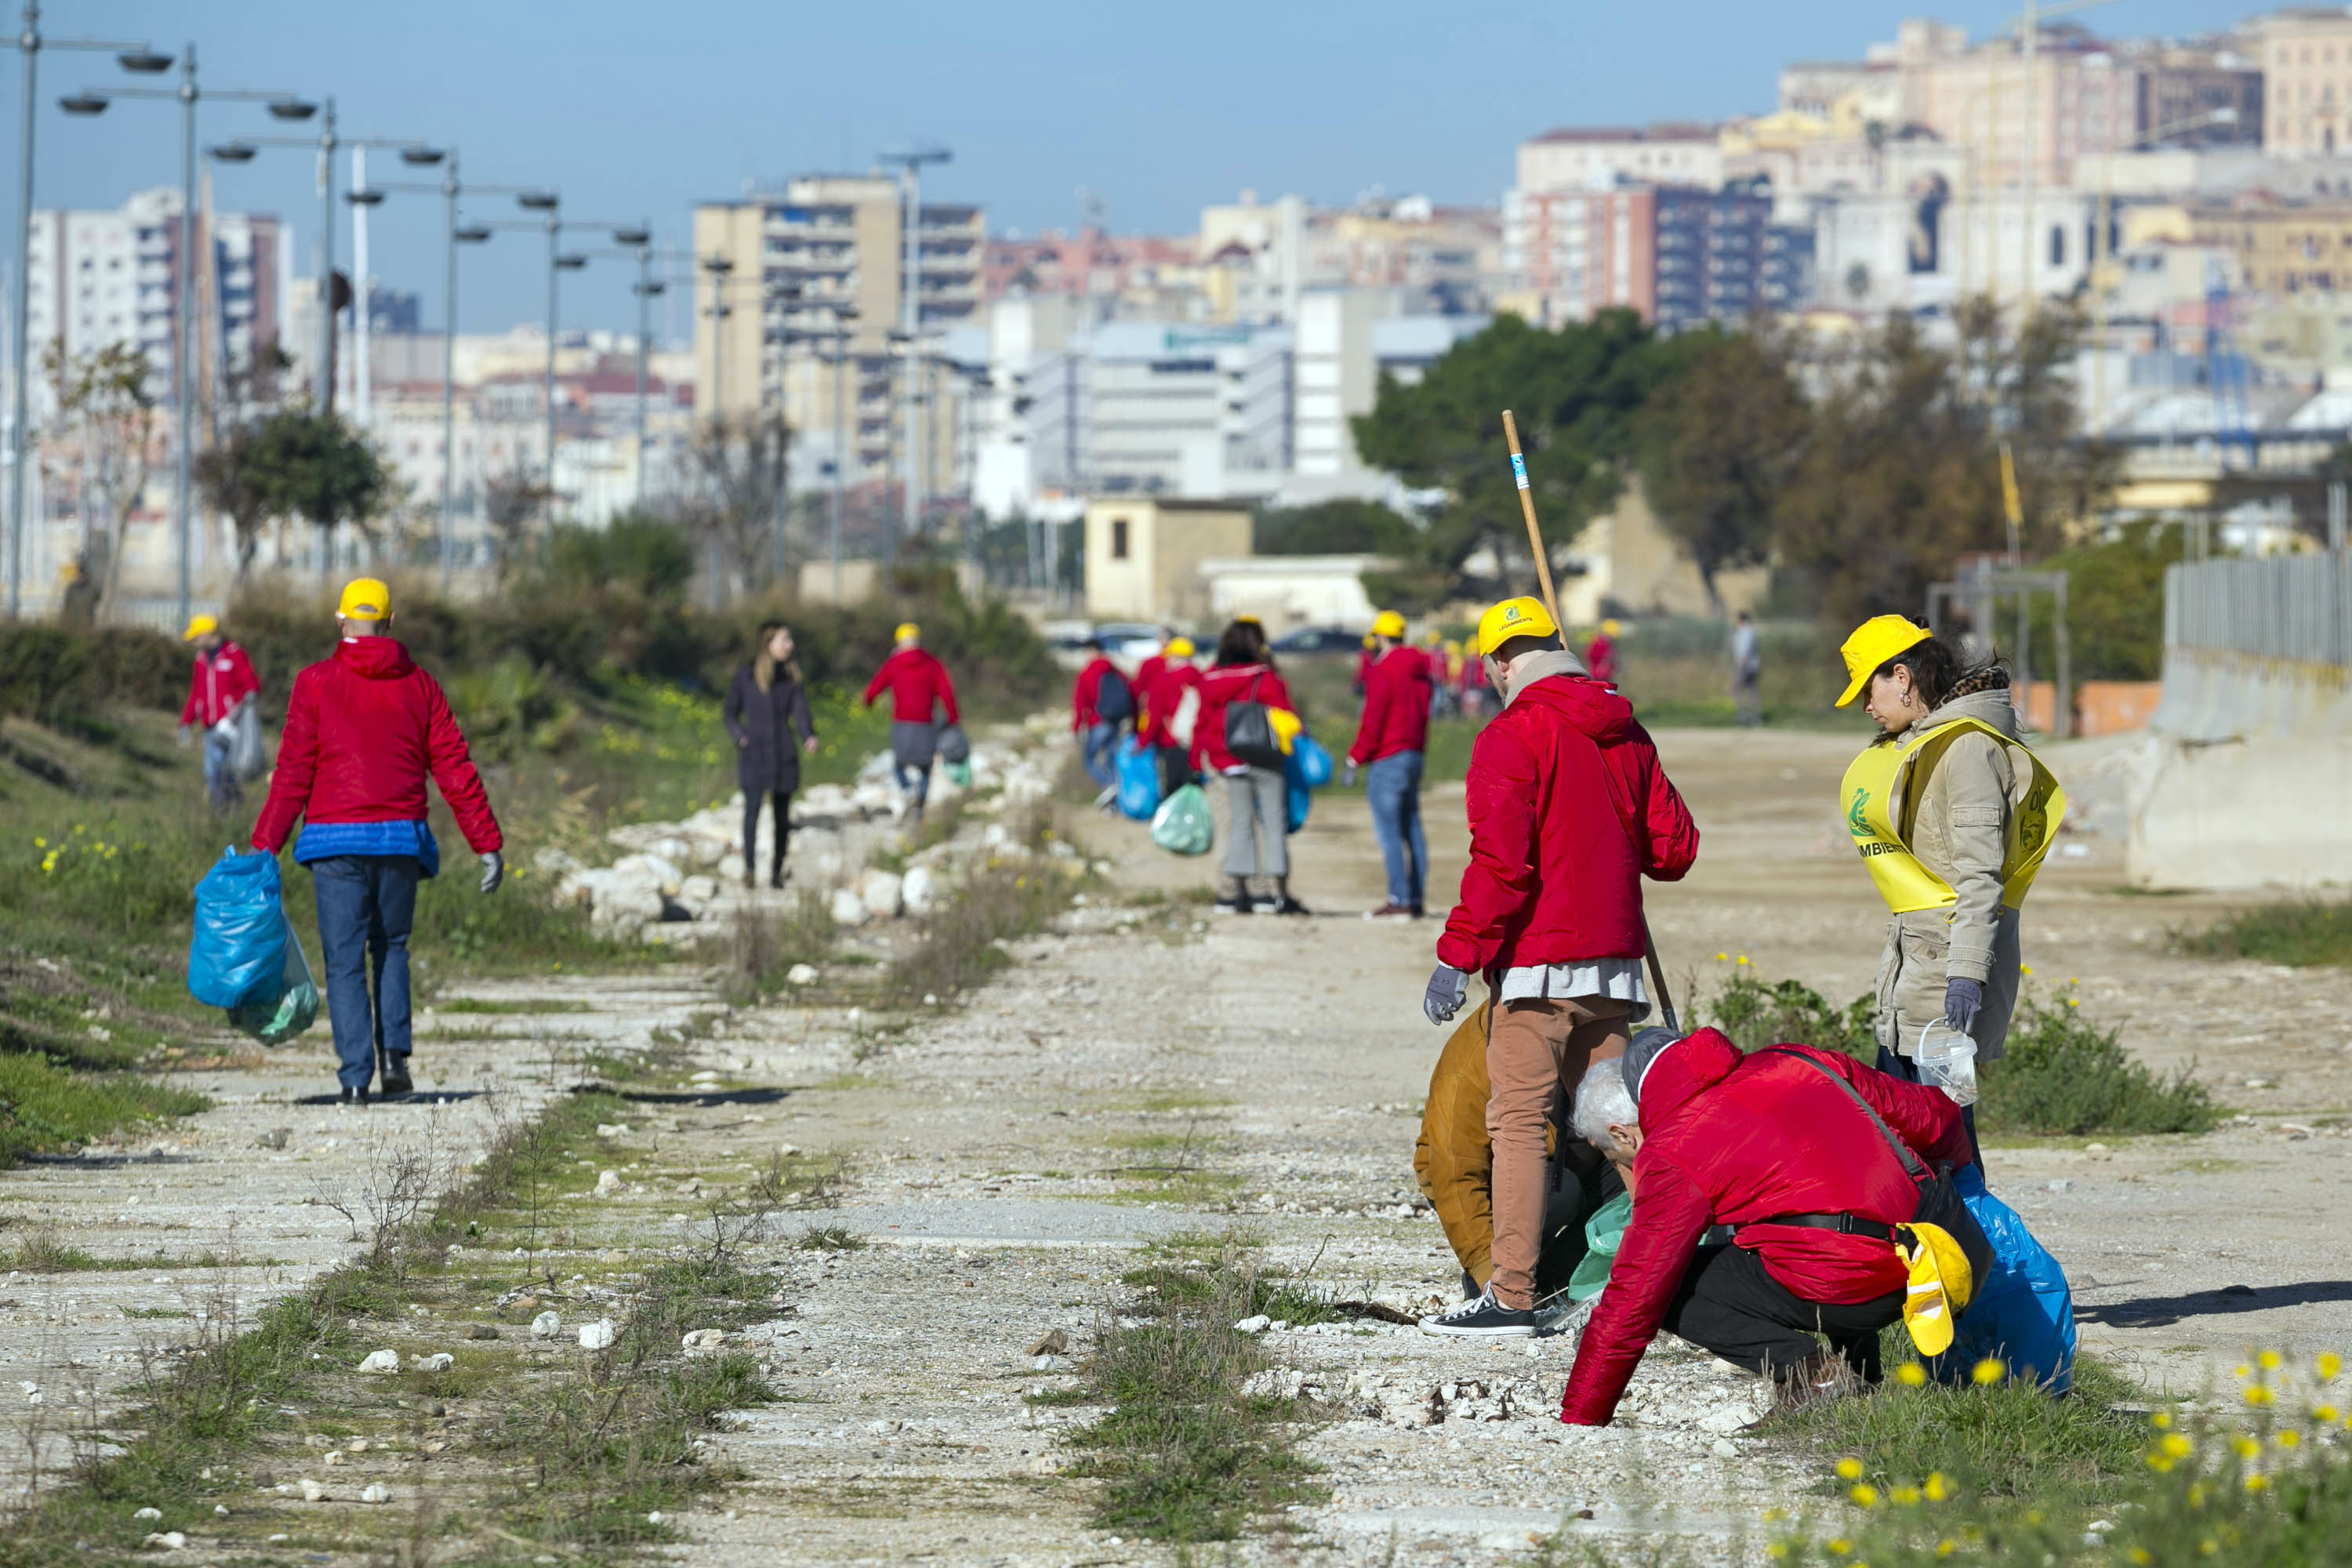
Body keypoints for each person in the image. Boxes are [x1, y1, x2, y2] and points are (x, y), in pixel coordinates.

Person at [1420, 595, 1698, 1336]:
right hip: (1613, 966)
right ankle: (1675, 1278)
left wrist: (1458, 955)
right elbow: (1674, 851)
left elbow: (1502, 864)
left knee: (1517, 1124)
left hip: (1538, 968)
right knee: (1621, 1126)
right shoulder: (1626, 729)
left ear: (1500, 664)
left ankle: (1511, 1295)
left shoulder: (1511, 735)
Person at [1555, 1025, 1974, 1424]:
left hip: (1851, 1286)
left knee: (1678, 1284)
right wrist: (1956, 1176)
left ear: (1624, 1134)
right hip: (1930, 1254)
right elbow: (1940, 1118)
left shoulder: (1672, 1149)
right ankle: (1861, 1375)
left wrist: (1581, 1414)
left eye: (1615, 1159)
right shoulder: (1797, 1059)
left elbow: (1634, 1294)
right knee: (1810, 1225)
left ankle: (1814, 1374)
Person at [250, 579, 503, 1104]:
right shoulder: (421, 685)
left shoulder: (314, 683)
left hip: (333, 843)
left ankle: (354, 1080)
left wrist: (265, 844)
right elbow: (455, 766)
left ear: (341, 621)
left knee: (343, 961)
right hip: (399, 842)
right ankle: (394, 1064)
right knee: (390, 949)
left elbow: (293, 771)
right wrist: (486, 841)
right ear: (391, 622)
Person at [1835, 616, 2064, 1161]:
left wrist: (1965, 976)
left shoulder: (1967, 751)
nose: (1868, 707)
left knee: (1945, 1143)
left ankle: (1968, 1244)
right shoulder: (1919, 746)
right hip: (1913, 971)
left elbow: (1980, 876)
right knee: (1909, 1141)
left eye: (1870, 691)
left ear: (1903, 677)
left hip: (1946, 984)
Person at [1415, 1000, 1618, 1305]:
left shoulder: (1592, 1025)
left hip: (1567, 1162)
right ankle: (1504, 1273)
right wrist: (1490, 1274)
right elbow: (1455, 1178)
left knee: (1629, 1170)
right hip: (1488, 1179)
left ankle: (1556, 1279)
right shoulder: (1468, 1069)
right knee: (1562, 1192)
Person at [1192, 619, 1305, 916]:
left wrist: (1197, 760)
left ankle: (1234, 895)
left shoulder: (1210, 679)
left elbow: (1201, 723)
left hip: (1227, 761)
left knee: (1240, 824)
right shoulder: (1265, 677)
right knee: (1273, 825)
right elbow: (1288, 716)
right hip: (1265, 758)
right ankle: (1271, 893)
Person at [1345, 608, 1433, 920]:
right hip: (1414, 754)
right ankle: (1417, 898)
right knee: (1412, 829)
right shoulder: (1421, 669)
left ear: (1380, 637)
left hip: (1387, 757)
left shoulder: (1383, 670)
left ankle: (1399, 900)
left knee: (1390, 833)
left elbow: (1373, 719)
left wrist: (1356, 757)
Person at [724, 621, 818, 889]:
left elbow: (800, 712)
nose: (790, 645)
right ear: (769, 644)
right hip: (753, 754)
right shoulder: (746, 677)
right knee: (751, 812)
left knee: (781, 818)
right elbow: (730, 713)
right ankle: (750, 870)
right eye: (784, 640)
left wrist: (808, 735)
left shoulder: (791, 680)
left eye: (789, 640)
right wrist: (740, 737)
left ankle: (776, 872)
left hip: (783, 754)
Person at [862, 622, 960, 829]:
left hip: (902, 723)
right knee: (925, 767)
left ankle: (907, 790)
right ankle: (919, 810)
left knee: (900, 765)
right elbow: (947, 692)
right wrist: (953, 718)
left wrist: (868, 700)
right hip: (926, 724)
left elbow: (876, 686)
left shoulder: (894, 662)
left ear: (899, 642)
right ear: (918, 641)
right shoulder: (932, 664)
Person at [178, 613, 260, 811]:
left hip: (233, 726)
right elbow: (197, 693)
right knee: (213, 771)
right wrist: (186, 722)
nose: (195, 642)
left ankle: (235, 808)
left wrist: (239, 711)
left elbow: (251, 686)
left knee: (230, 771)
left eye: (197, 637)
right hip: (210, 727)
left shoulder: (234, 654)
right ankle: (219, 812)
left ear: (207, 634)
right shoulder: (200, 660)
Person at [1140, 634, 1201, 801]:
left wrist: (1143, 742)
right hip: (1197, 741)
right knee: (1193, 786)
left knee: (1173, 788)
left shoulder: (1164, 681)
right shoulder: (1202, 678)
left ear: (1175, 657)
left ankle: (1175, 823)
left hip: (1171, 741)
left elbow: (1155, 717)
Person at [1070, 636, 1131, 793]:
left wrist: (1076, 727)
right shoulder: (1115, 670)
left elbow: (1079, 704)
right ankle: (1115, 795)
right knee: (1111, 761)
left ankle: (1109, 786)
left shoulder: (1086, 673)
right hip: (1115, 721)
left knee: (1089, 759)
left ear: (1091, 651)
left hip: (1097, 721)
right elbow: (1129, 691)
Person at [1730, 611, 1762, 728]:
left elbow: (1745, 648)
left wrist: (1741, 661)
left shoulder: (1746, 632)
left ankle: (1745, 716)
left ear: (1741, 620)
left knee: (1736, 689)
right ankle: (1755, 718)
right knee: (1752, 691)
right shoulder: (1746, 631)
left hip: (1745, 665)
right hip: (1752, 665)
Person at [1584, 619, 1621, 688]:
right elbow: (1590, 657)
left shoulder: (1609, 645)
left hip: (1606, 678)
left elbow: (1612, 660)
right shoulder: (1598, 644)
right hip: (1597, 678)